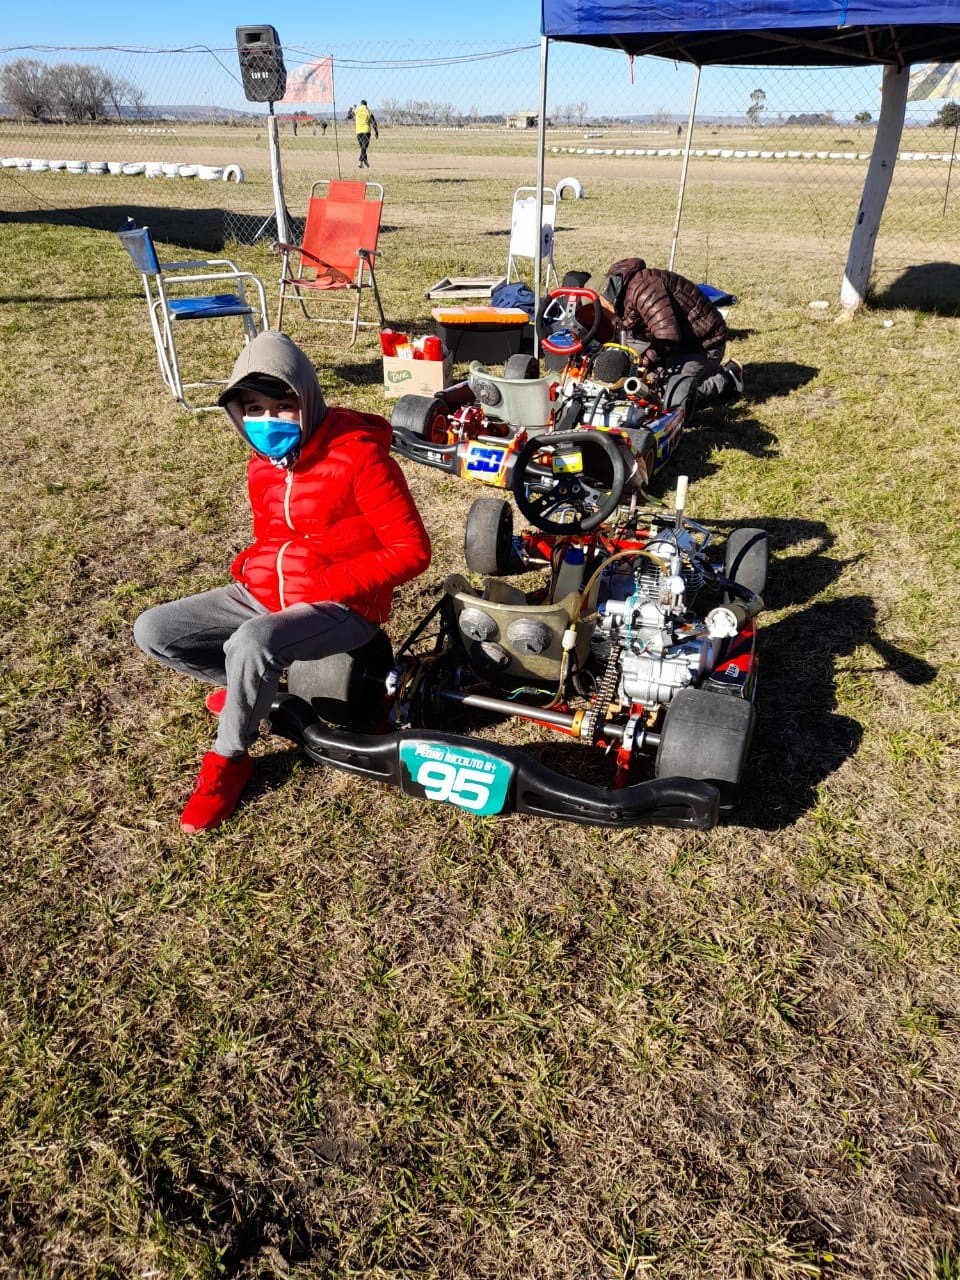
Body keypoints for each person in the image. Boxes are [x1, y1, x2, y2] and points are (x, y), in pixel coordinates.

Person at [133, 331, 432, 834]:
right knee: (154, 630)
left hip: (343, 606)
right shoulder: (262, 466)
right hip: (265, 592)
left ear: (307, 401)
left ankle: (230, 760)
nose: (267, 420)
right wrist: (251, 563)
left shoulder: (362, 458)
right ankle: (254, 696)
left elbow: (413, 551)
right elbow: (274, 534)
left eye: (281, 407)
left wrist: (328, 583)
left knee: (252, 642)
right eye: (253, 408)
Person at [597, 257, 743, 409]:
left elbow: (668, 336)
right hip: (664, 341)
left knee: (666, 396)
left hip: (701, 345)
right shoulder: (617, 291)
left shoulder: (644, 289)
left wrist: (643, 363)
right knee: (623, 377)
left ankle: (728, 379)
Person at [351, 99, 378, 169]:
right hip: (366, 131)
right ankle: (360, 161)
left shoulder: (357, 110)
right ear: (366, 105)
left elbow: (349, 116)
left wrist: (352, 108)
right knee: (364, 147)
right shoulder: (368, 111)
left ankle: (365, 162)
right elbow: (373, 122)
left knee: (363, 148)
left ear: (360, 104)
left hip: (358, 132)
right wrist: (376, 132)